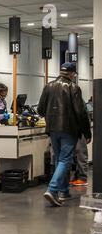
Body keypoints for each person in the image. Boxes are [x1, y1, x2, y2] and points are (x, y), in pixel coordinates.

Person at [38, 62, 92, 206]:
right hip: (69, 129)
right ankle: (52, 189)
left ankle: (63, 192)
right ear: (72, 73)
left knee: (59, 159)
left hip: (52, 129)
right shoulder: (74, 87)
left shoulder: (48, 86)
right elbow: (81, 112)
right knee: (65, 160)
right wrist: (87, 133)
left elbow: (40, 110)